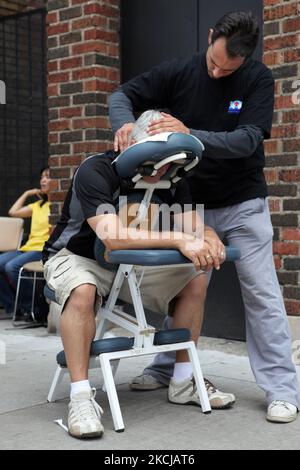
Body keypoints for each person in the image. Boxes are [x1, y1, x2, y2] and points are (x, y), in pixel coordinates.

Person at [109, 11, 299, 423]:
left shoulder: (257, 80)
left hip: (244, 202)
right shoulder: (178, 72)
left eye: (226, 68)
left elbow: (247, 140)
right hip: (191, 205)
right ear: (211, 37)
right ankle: (165, 369)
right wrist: (124, 124)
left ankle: (283, 390)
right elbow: (121, 95)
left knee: (262, 295)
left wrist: (189, 134)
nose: (215, 72)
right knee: (183, 291)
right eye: (212, 61)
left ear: (244, 59)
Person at [42, 110, 232, 439]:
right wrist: (179, 238)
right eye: (157, 157)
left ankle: (183, 380)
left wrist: (209, 237)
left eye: (170, 161)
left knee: (195, 276)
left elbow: (194, 226)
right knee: (84, 289)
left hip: (131, 265)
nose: (164, 168)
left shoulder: (172, 178)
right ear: (133, 144)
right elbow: (112, 238)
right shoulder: (96, 169)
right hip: (77, 257)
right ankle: (82, 397)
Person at [0, 168, 51, 322]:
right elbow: (13, 212)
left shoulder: (57, 205)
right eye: (41, 177)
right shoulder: (37, 206)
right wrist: (28, 193)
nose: (43, 180)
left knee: (11, 267)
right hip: (27, 248)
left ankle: (35, 308)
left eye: (47, 177)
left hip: (42, 249)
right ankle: (15, 307)